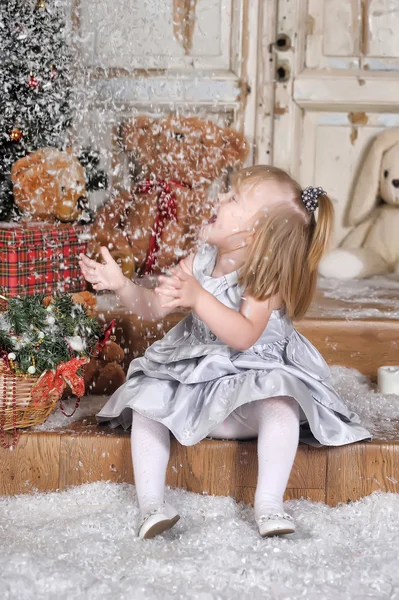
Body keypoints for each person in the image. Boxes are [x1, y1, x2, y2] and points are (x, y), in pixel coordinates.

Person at [79, 165, 370, 540]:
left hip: (248, 393)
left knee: (281, 403)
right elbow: (153, 307)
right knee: (146, 403)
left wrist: (198, 298)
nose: (218, 198)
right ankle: (152, 504)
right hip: (198, 389)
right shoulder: (198, 261)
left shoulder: (265, 274)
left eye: (232, 197)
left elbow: (245, 335)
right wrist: (120, 285)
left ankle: (269, 503)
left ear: (256, 232)